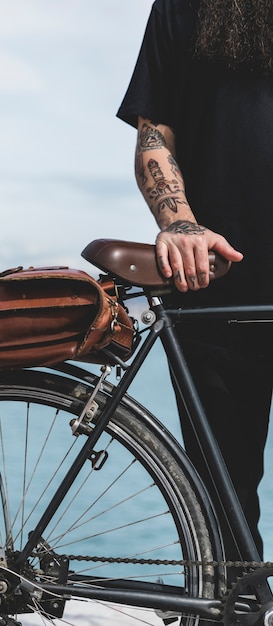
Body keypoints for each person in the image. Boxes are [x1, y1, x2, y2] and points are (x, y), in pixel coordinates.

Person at [116, 0, 273, 575]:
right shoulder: (186, 6)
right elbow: (154, 136)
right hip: (217, 284)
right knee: (222, 518)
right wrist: (180, 223)